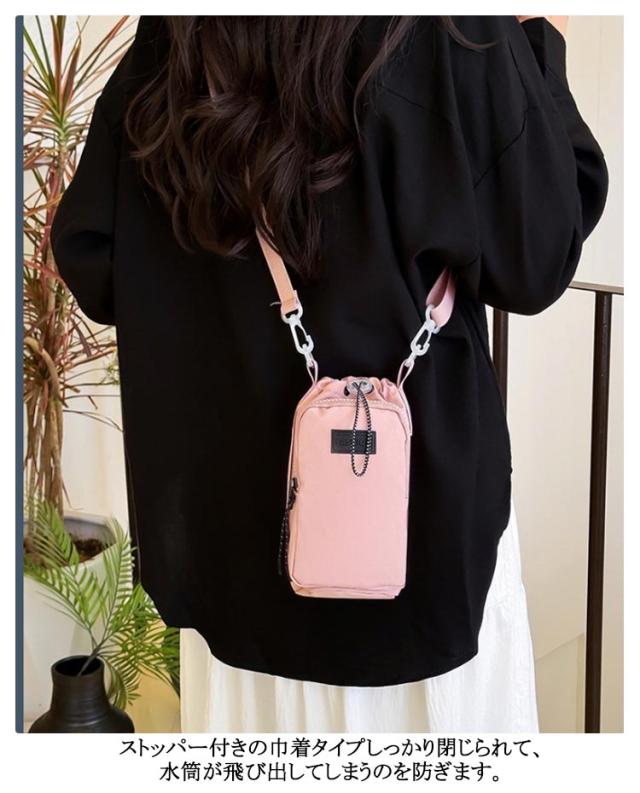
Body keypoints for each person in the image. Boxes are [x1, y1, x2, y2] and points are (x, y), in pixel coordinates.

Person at [51, 15, 608, 732]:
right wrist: (539, 42)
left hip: (234, 569)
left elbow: (94, 259)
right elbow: (536, 253)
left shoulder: (180, 31)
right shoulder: (454, 28)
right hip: (420, 569)